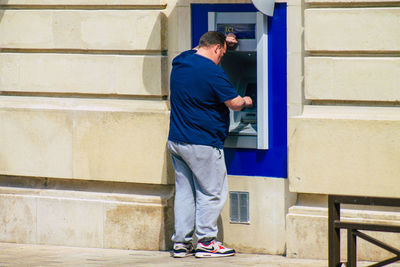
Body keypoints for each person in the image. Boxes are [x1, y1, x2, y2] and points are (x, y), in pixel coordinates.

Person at [168, 31, 253, 258]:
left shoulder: (181, 61)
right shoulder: (212, 71)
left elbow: (203, 49)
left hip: (177, 140)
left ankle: (181, 243)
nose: (221, 59)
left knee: (185, 193)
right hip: (202, 142)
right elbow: (234, 103)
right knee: (211, 192)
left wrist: (227, 41)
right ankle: (206, 241)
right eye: (222, 54)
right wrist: (246, 100)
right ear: (216, 49)